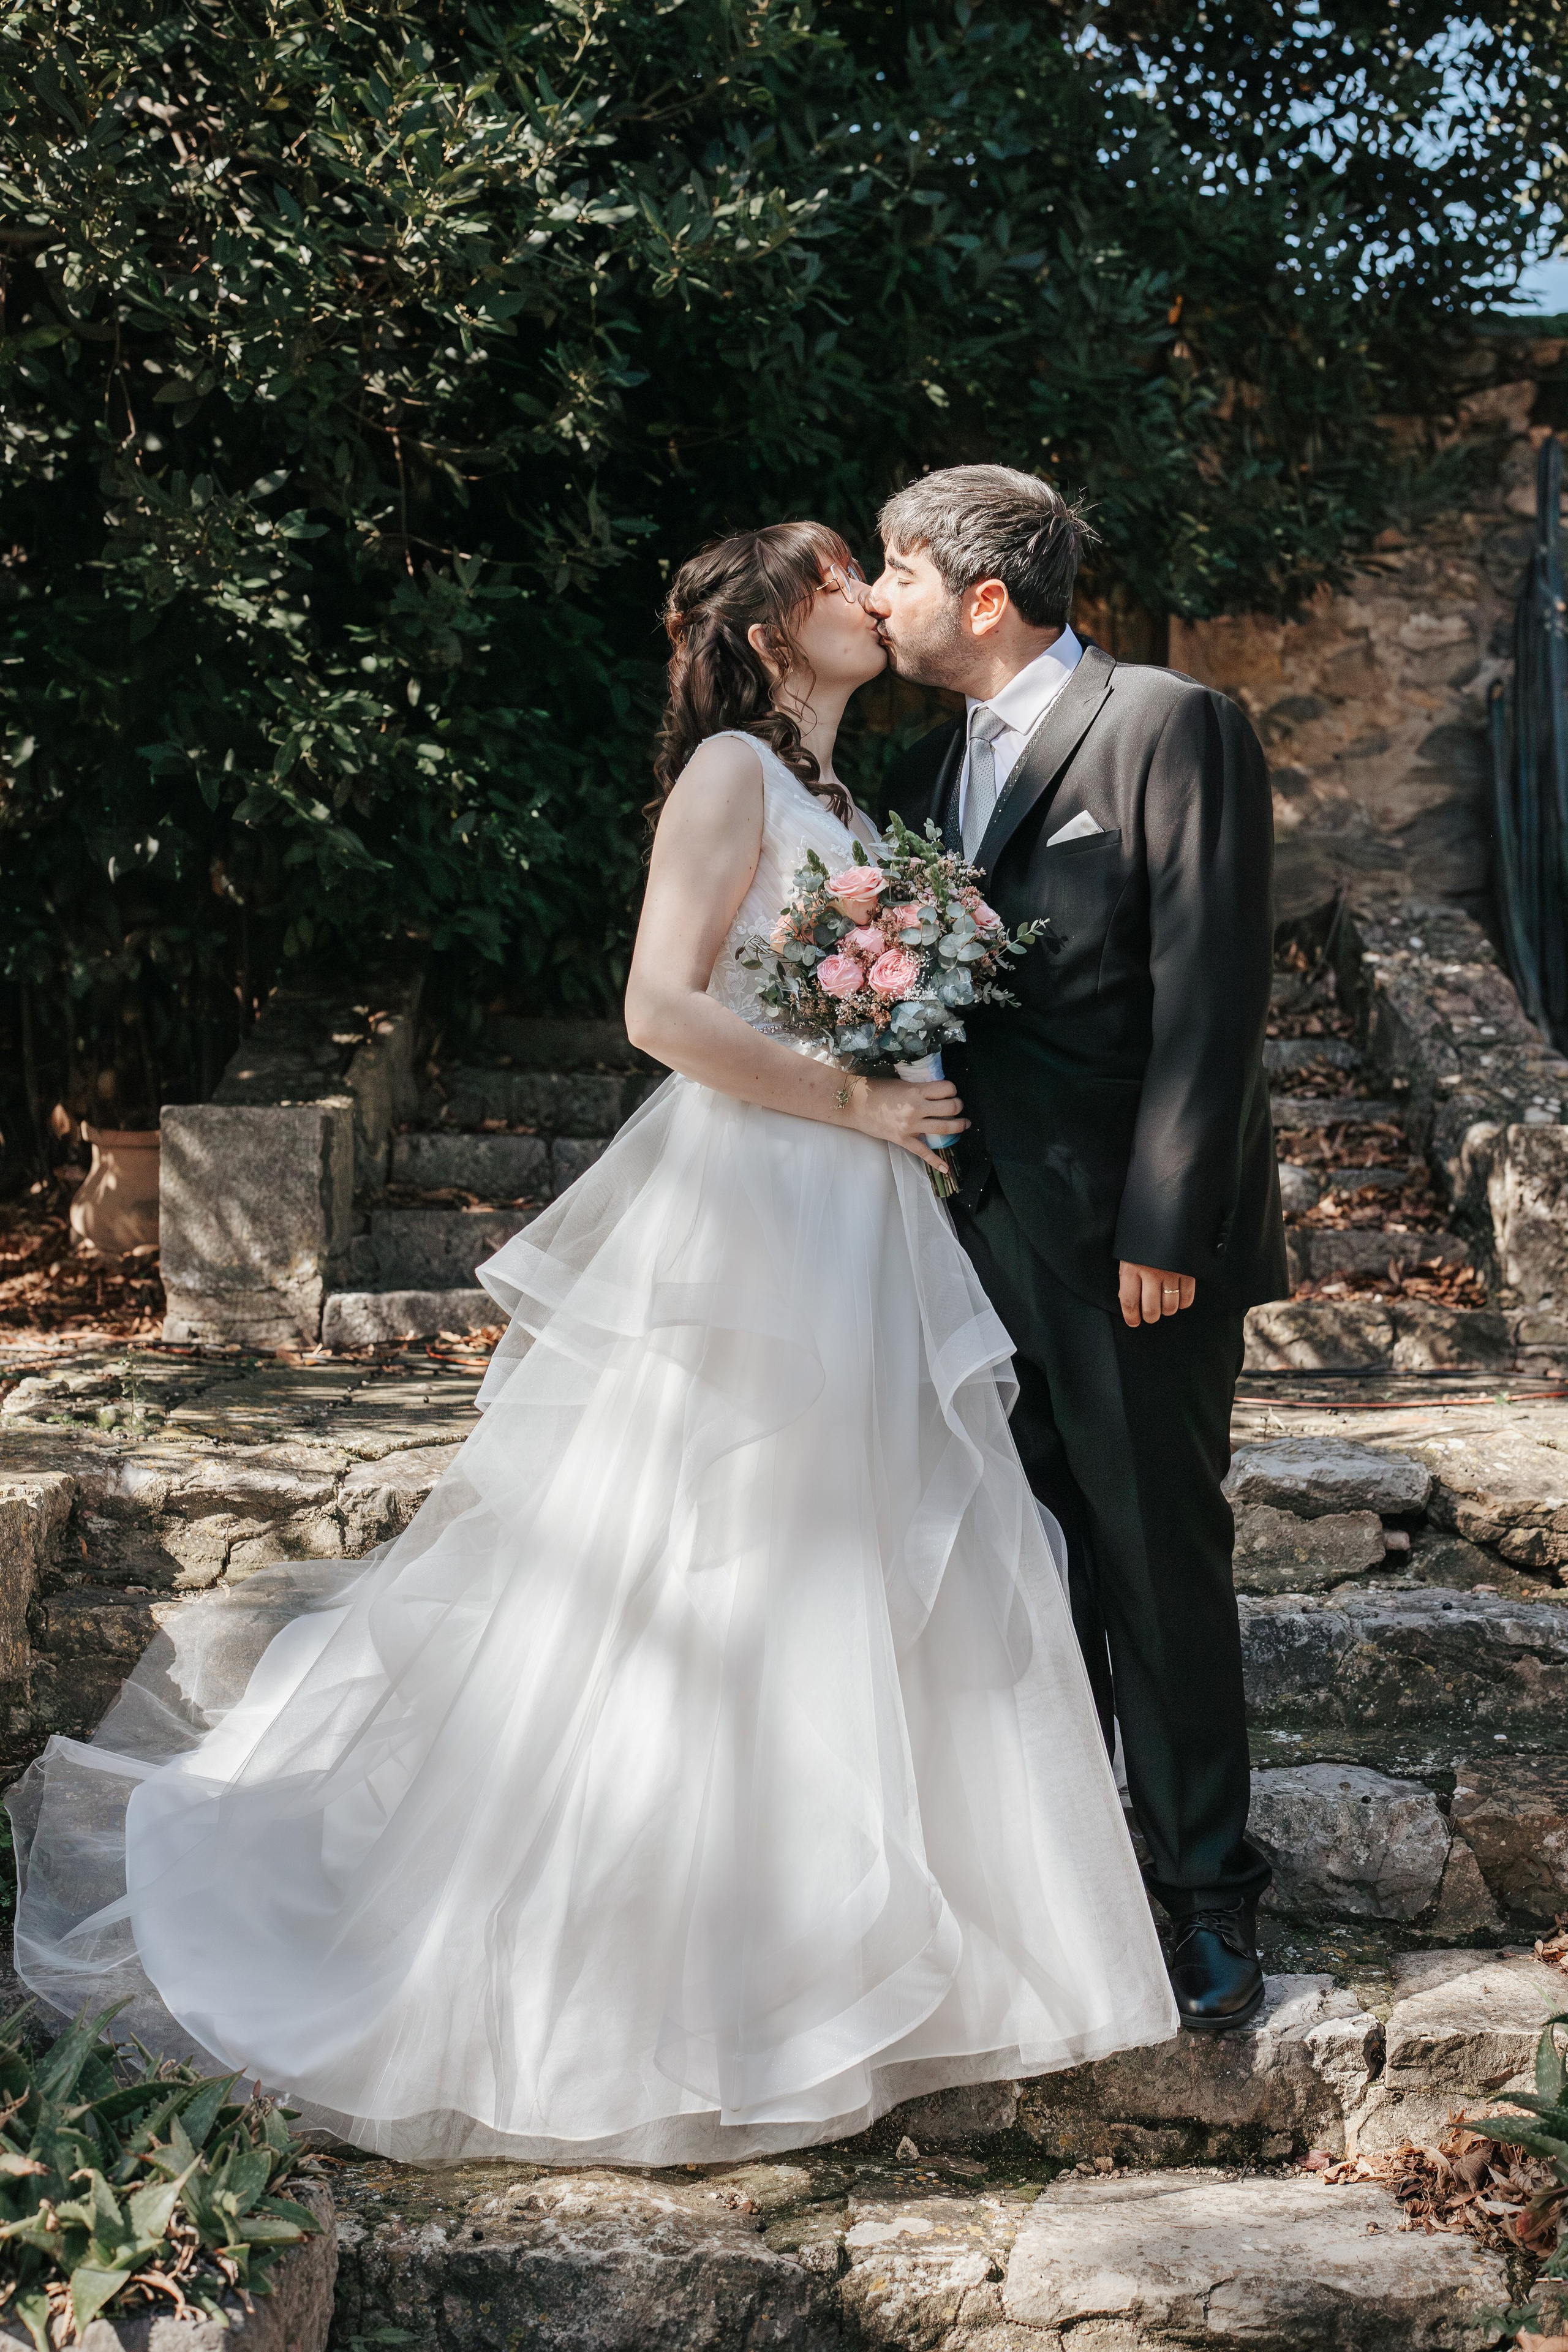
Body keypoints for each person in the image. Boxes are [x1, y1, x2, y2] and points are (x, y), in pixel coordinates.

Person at [7, 520, 1177, 2168]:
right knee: (712, 1557)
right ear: (773, 632)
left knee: (844, 1558)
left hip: (861, 1208)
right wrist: (853, 1092)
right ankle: (648, 1985)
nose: (863, 593)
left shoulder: (851, 804)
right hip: (763, 1198)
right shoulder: (727, 776)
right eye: (836, 575)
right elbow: (656, 1009)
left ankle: (835, 1956)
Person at [866, 466, 1288, 2031]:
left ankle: (1202, 1898)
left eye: (896, 569)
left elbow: (1211, 993)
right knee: (1021, 1560)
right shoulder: (916, 777)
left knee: (1154, 1559)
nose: (874, 597)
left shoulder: (1167, 723)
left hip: (1130, 1245)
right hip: (964, 1231)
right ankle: (1067, 1879)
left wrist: (1167, 1221)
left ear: (983, 596)